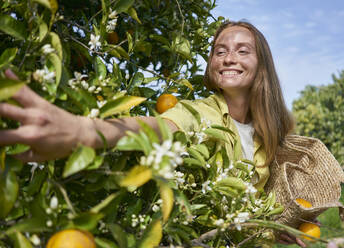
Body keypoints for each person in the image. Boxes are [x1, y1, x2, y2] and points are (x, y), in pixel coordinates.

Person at [0, 21, 306, 247]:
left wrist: (274, 228)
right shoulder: (200, 113)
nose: (228, 58)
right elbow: (154, 127)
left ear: (261, 65)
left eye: (243, 51)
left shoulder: (268, 132)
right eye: (219, 51)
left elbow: (253, 205)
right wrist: (83, 130)